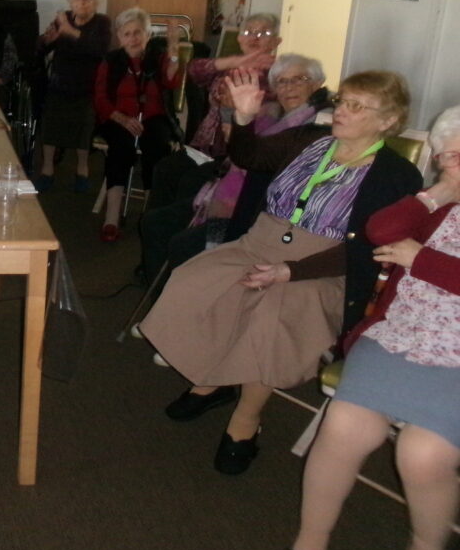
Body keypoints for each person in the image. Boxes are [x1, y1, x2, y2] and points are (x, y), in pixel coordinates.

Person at [141, 69, 422, 476]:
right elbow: (250, 156)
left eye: (357, 106)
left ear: (388, 120)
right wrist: (243, 118)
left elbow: (367, 249)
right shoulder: (309, 140)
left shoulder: (396, 175)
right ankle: (214, 379)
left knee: (272, 315)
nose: (342, 110)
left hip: (322, 269)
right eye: (342, 101)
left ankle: (247, 418)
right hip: (259, 243)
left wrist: (290, 270)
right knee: (193, 282)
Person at [279, 105, 460, 550]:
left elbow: (412, 256)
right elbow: (380, 231)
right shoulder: (442, 207)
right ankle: (309, 549)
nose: (456, 165)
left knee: (422, 453)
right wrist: (438, 191)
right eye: (449, 157)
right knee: (342, 424)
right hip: (399, 332)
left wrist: (421, 260)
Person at [140, 55, 329, 284]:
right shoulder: (271, 113)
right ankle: (159, 294)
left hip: (255, 212)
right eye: (282, 81)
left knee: (182, 244)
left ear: (317, 83)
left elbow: (255, 160)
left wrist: (236, 122)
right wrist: (233, 114)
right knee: (156, 220)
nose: (289, 87)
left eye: (299, 79)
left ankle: (176, 298)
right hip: (227, 193)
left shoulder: (318, 124)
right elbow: (237, 146)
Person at [92, 7, 181, 241]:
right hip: (117, 118)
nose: (133, 38)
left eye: (138, 32)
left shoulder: (157, 57)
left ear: (147, 35)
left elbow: (171, 81)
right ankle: (111, 217)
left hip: (153, 117)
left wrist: (173, 48)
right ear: (119, 37)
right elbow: (100, 99)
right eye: (127, 33)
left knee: (157, 147)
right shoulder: (111, 61)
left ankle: (150, 213)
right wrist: (122, 119)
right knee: (120, 148)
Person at [35, 0, 111, 193]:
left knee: (84, 124)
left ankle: (82, 170)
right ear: (71, 0)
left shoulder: (102, 23)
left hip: (87, 87)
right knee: (50, 121)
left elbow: (99, 50)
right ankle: (47, 170)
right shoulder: (64, 19)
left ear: (97, 2)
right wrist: (47, 40)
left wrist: (70, 31)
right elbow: (40, 50)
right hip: (60, 83)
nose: (82, 2)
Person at [188, 12, 282, 159]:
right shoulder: (226, 68)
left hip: (248, 148)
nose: (255, 37)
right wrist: (234, 61)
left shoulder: (280, 74)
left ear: (276, 41)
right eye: (248, 32)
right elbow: (193, 71)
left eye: (264, 33)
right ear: (239, 38)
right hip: (206, 144)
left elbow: (275, 111)